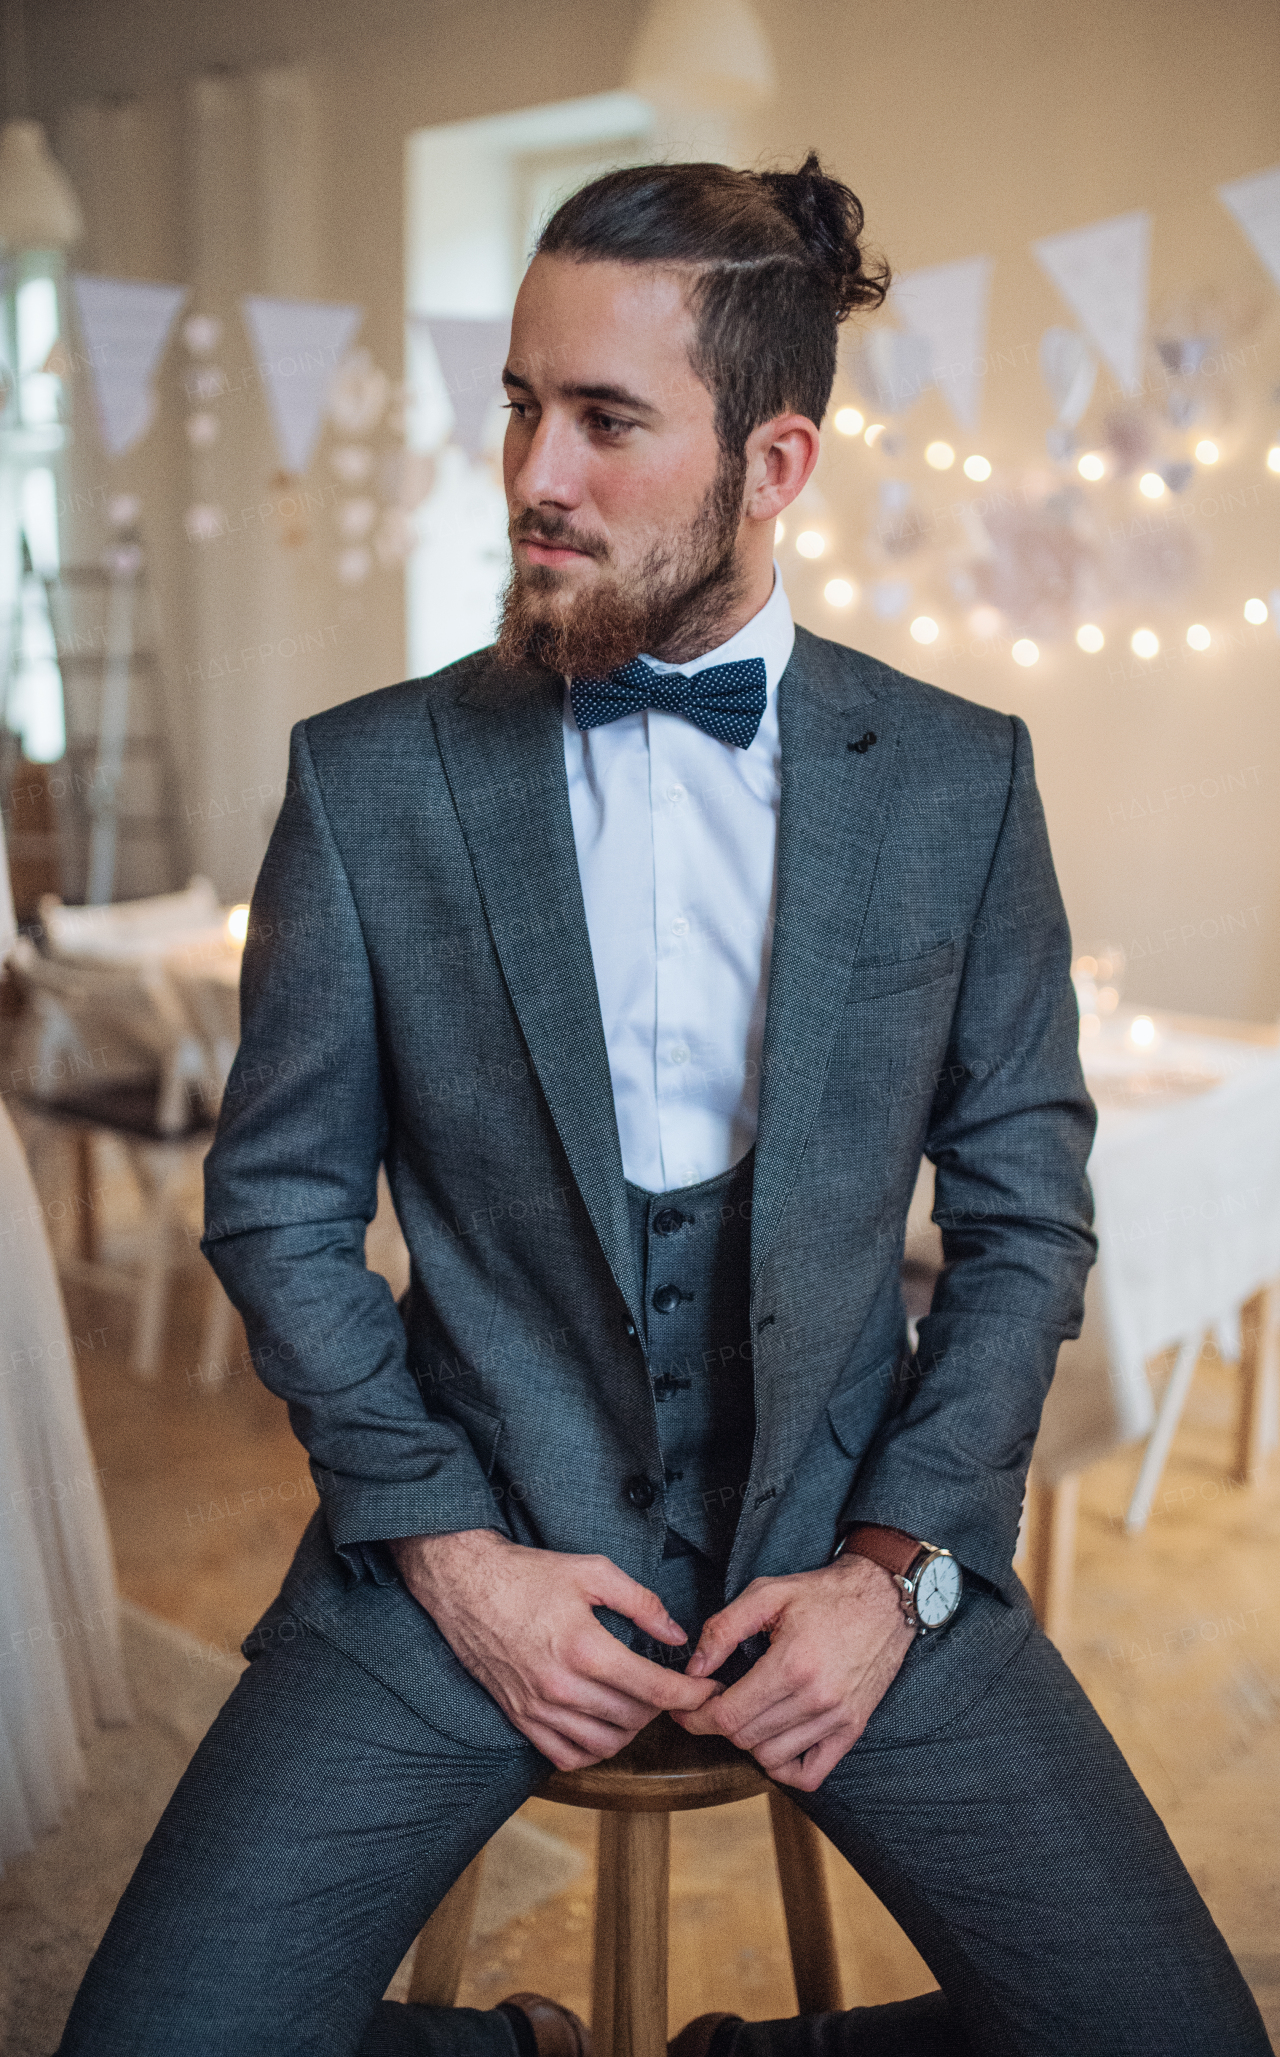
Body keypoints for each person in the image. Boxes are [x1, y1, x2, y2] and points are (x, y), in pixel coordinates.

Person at [59, 155, 1268, 2057]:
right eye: (523, 405)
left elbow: (1029, 1223)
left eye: (606, 421)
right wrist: (453, 1551)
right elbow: (278, 1204)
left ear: (773, 465)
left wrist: (894, 1569)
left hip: (858, 1553)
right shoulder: (369, 782)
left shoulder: (961, 782)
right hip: (461, 1549)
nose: (534, 471)